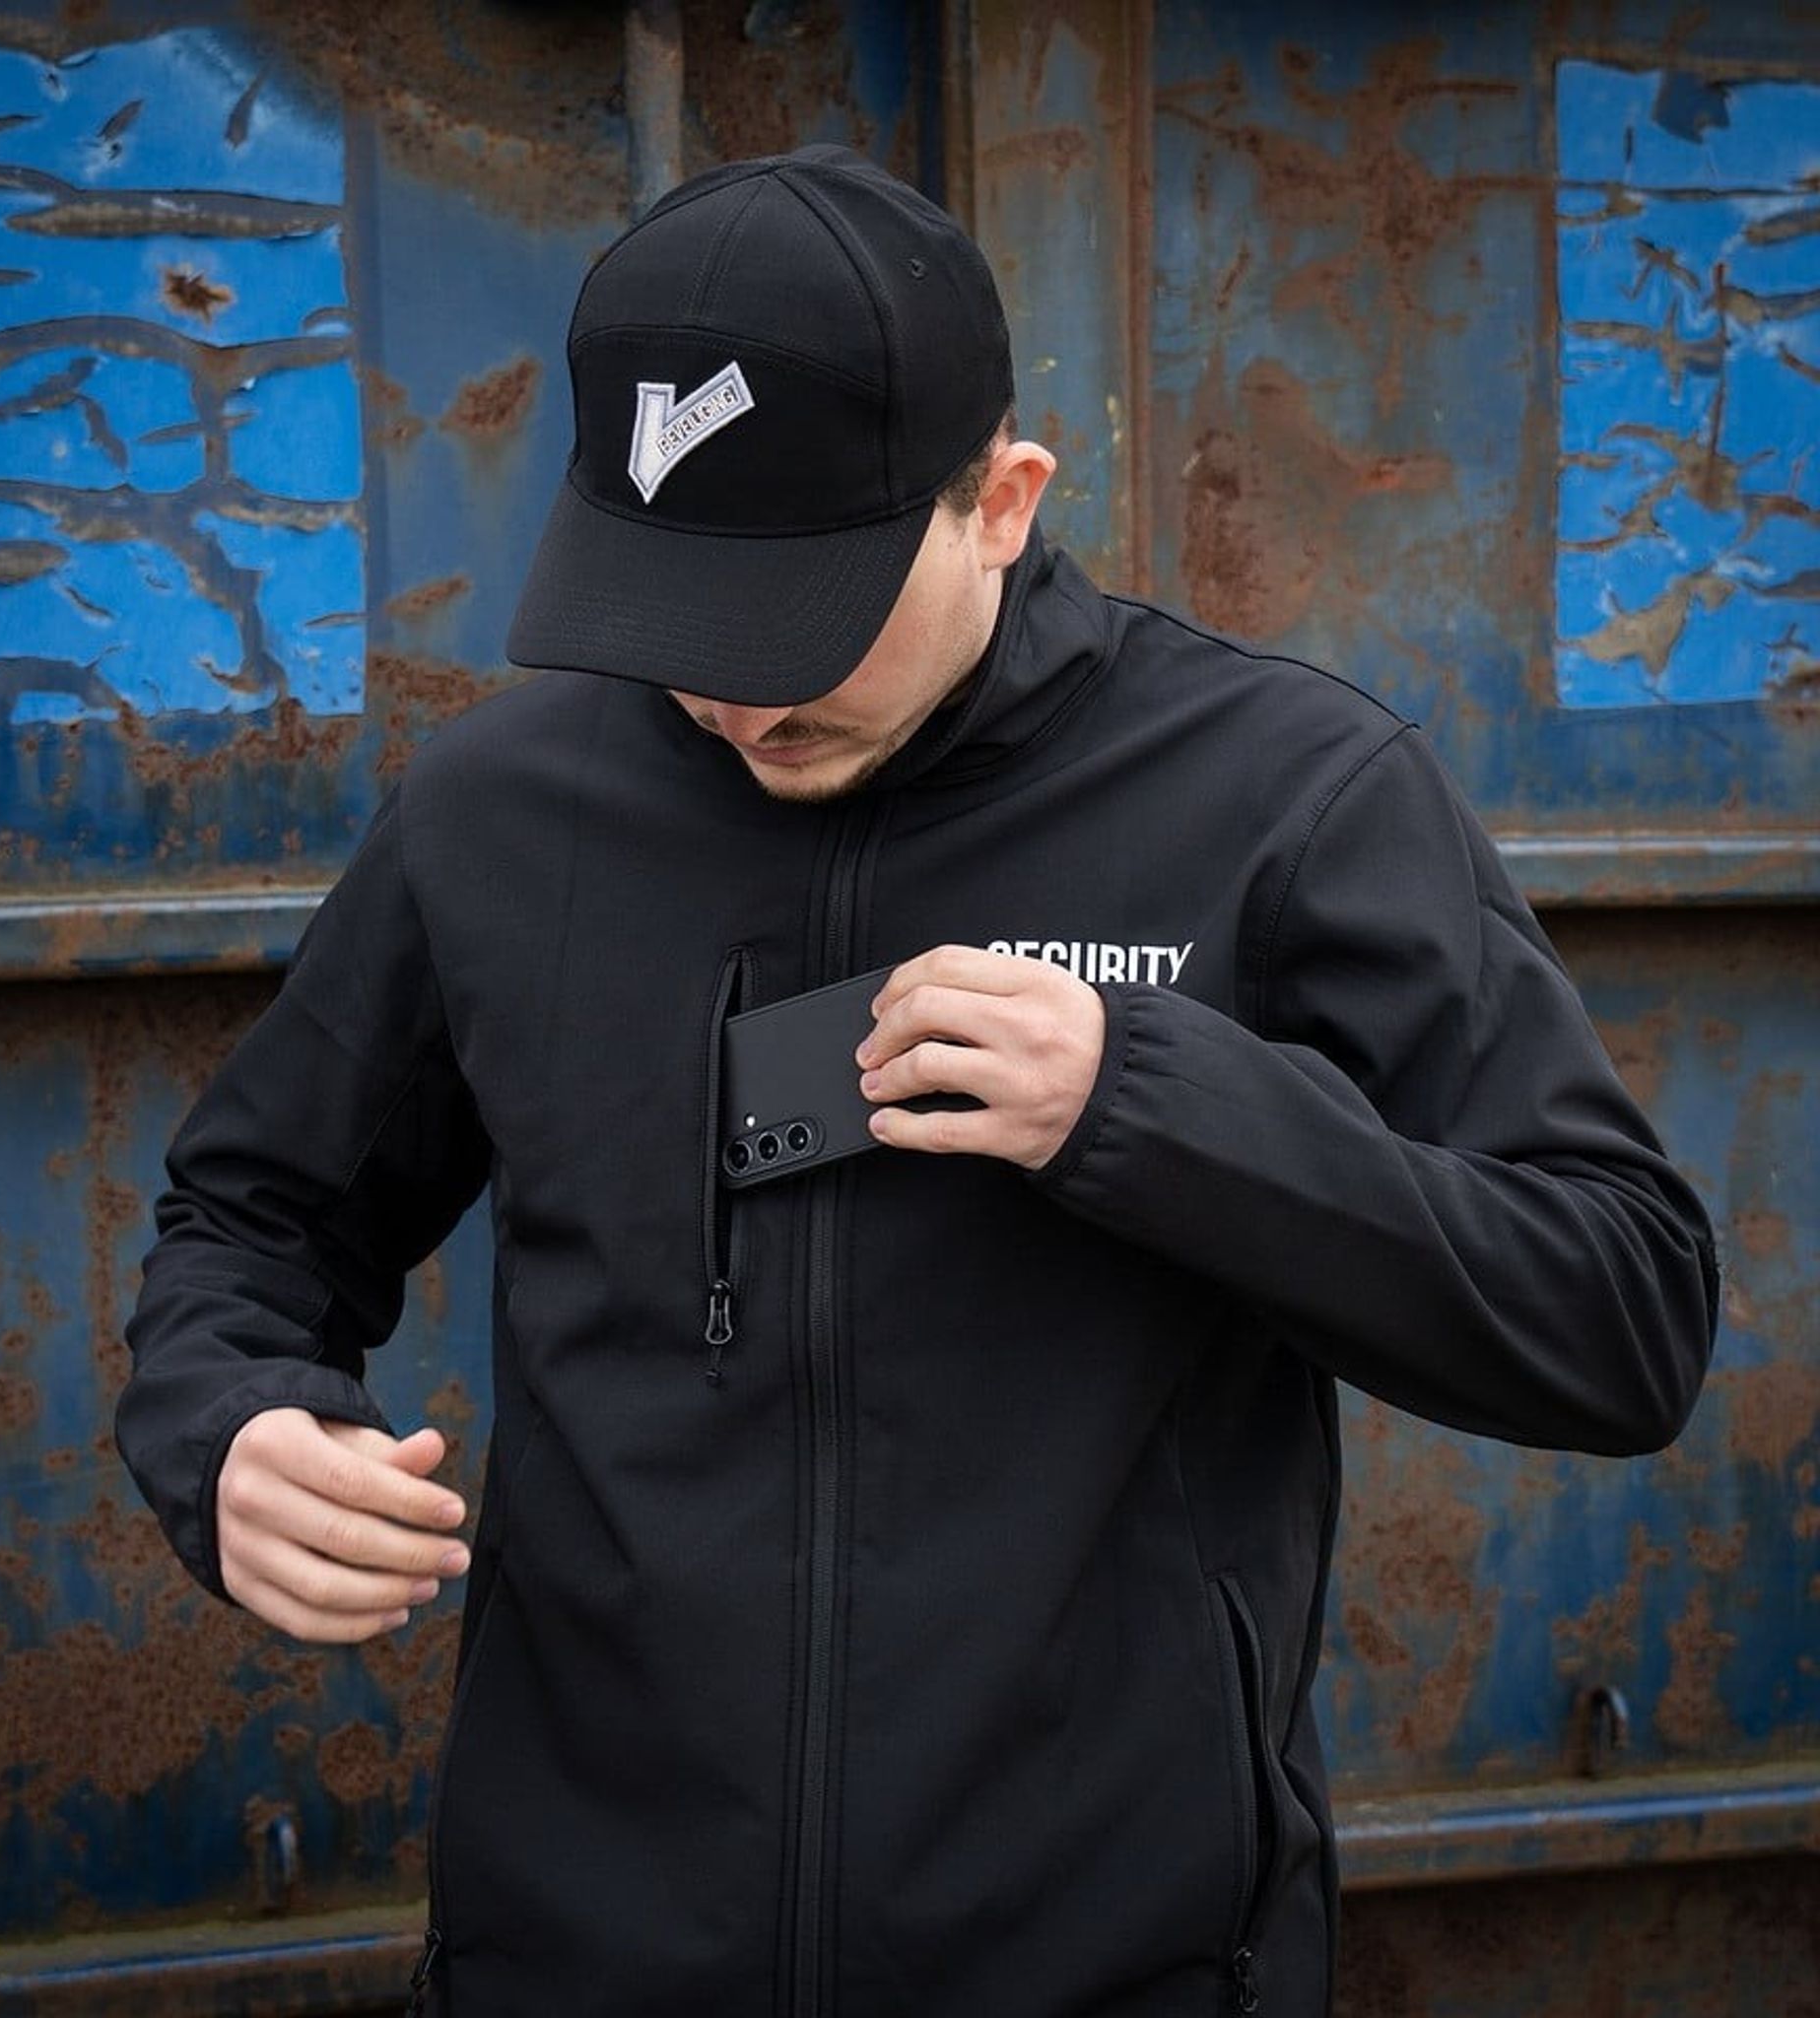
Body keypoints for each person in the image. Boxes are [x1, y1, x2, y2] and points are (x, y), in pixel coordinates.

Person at [116, 145, 1719, 2017]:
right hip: (582, 1962)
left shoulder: (1288, 797)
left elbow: (1622, 1313)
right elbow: (252, 1223)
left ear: (1001, 504)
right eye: (674, 612)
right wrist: (227, 1427)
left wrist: (1150, 1103)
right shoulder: (497, 815)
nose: (735, 703)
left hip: (1109, 1969)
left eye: (794, 620)